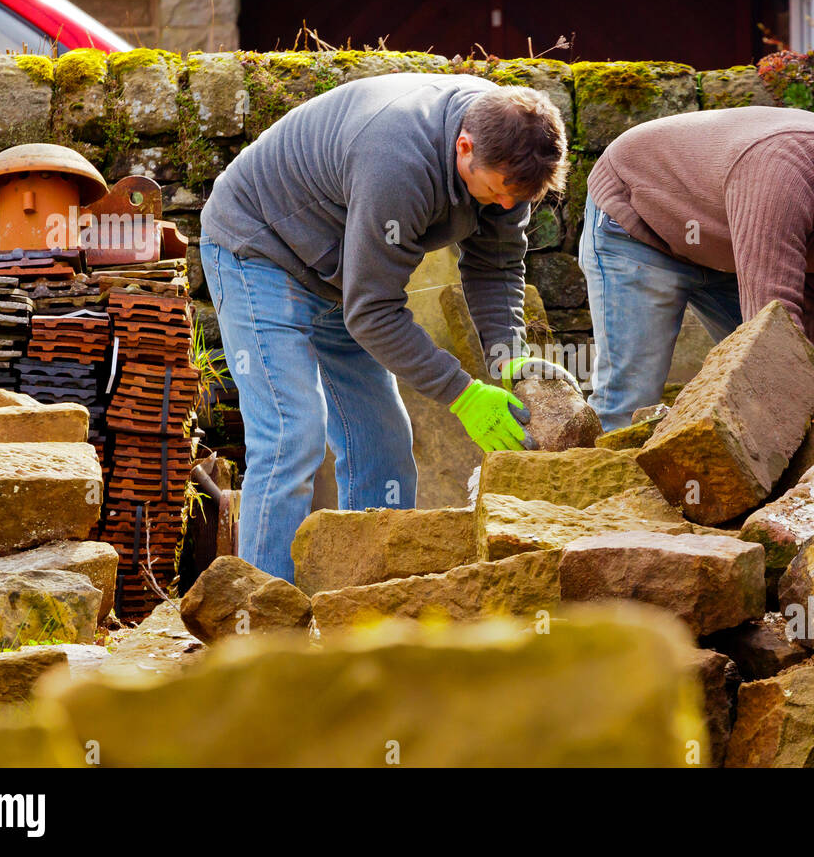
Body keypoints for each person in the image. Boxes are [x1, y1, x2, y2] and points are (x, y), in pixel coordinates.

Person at [198, 73, 569, 580]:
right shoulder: (399, 159)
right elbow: (372, 311)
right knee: (292, 434)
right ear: (464, 148)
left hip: (343, 273)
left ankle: (365, 603)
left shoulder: (510, 153)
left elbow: (496, 266)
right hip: (260, 248)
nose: (506, 207)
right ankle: (258, 624)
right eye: (498, 193)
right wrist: (462, 393)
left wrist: (509, 359)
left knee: (383, 440)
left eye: (517, 200)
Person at [579, 96, 814, 431]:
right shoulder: (782, 174)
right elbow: (771, 320)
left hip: (729, 246)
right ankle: (597, 500)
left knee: (774, 389)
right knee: (630, 399)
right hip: (640, 220)